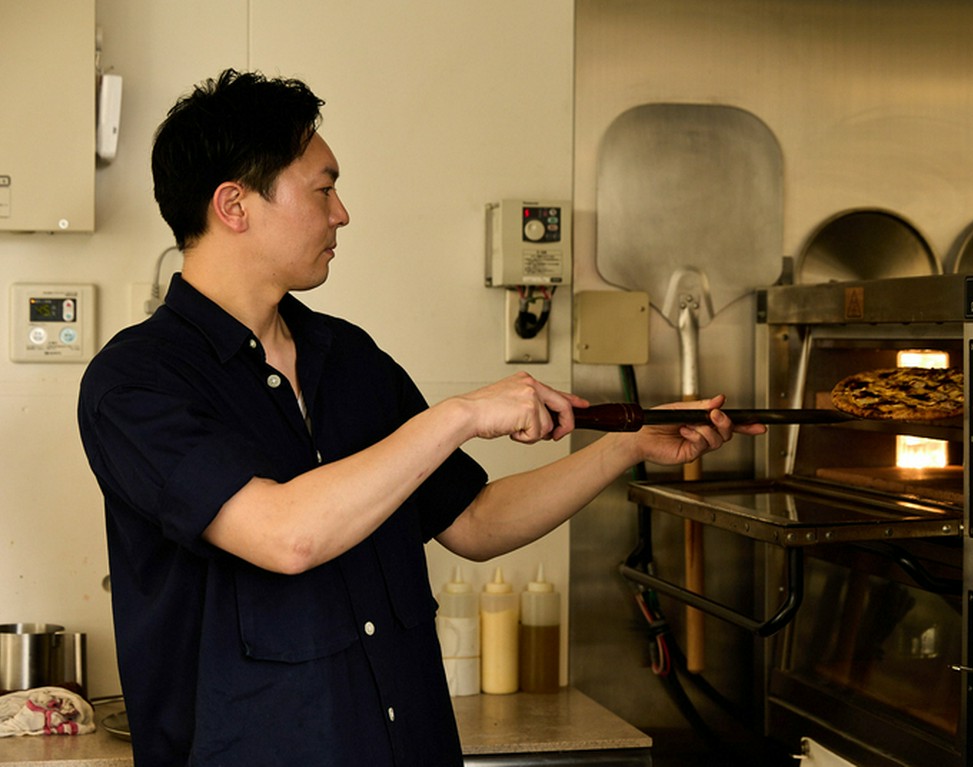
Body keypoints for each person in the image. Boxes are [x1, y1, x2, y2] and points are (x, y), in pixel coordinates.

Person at [77, 69, 764, 767]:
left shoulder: (348, 358)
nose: (342, 213)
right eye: (322, 189)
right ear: (234, 205)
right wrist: (461, 415)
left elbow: (476, 521)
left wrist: (627, 446)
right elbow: (287, 536)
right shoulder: (136, 384)